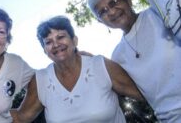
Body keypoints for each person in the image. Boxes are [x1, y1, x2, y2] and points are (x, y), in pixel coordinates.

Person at [11, 15, 143, 123]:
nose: (56, 44)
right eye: (48, 42)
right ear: (45, 51)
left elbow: (144, 92)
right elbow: (20, 118)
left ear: (74, 41)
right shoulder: (41, 80)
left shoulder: (101, 65)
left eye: (61, 37)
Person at [88, 0, 181, 122]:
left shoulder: (158, 14)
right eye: (102, 12)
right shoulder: (118, 56)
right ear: (101, 21)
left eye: (113, 2)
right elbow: (141, 94)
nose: (111, 12)